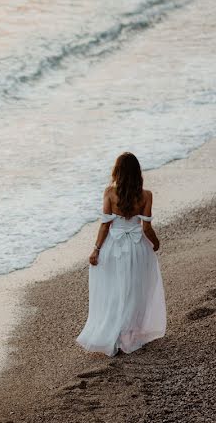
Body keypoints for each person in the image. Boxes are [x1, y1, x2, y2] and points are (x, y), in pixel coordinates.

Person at [75, 151, 167, 356]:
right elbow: (146, 228)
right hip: (137, 248)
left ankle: (114, 336)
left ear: (117, 171)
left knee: (114, 290)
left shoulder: (109, 192)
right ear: (137, 172)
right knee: (135, 290)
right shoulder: (146, 195)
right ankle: (129, 335)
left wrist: (96, 250)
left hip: (113, 248)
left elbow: (105, 226)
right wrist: (156, 243)